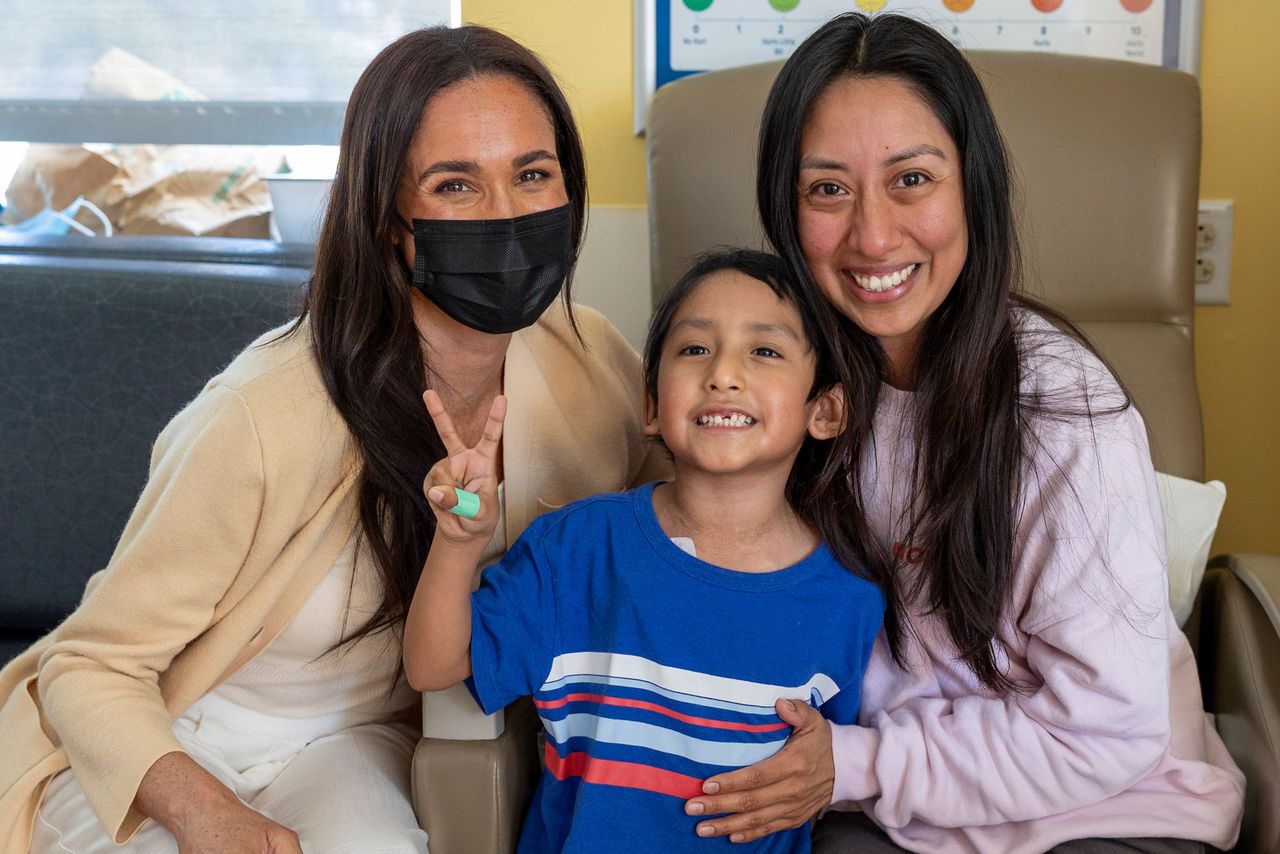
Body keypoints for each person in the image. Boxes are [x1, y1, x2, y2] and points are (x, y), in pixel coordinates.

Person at [0, 25, 665, 854]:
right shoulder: (261, 412)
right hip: (171, 733)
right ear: (389, 221)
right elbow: (88, 666)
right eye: (456, 185)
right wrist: (204, 815)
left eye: (532, 174)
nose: (505, 213)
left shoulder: (590, 361)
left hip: (350, 743)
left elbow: (692, 524)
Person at [678, 13, 1246, 854]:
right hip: (878, 805)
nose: (874, 236)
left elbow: (1108, 732)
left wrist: (859, 762)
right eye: (828, 190)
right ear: (784, 210)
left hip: (1107, 810)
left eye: (912, 179)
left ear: (972, 188)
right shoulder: (775, 389)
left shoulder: (1064, 413)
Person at [402, 249, 887, 853]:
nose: (723, 374)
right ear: (652, 405)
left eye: (764, 351)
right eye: (695, 348)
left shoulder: (849, 600)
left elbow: (825, 780)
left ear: (826, 410)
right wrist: (460, 542)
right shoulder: (575, 550)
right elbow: (432, 667)